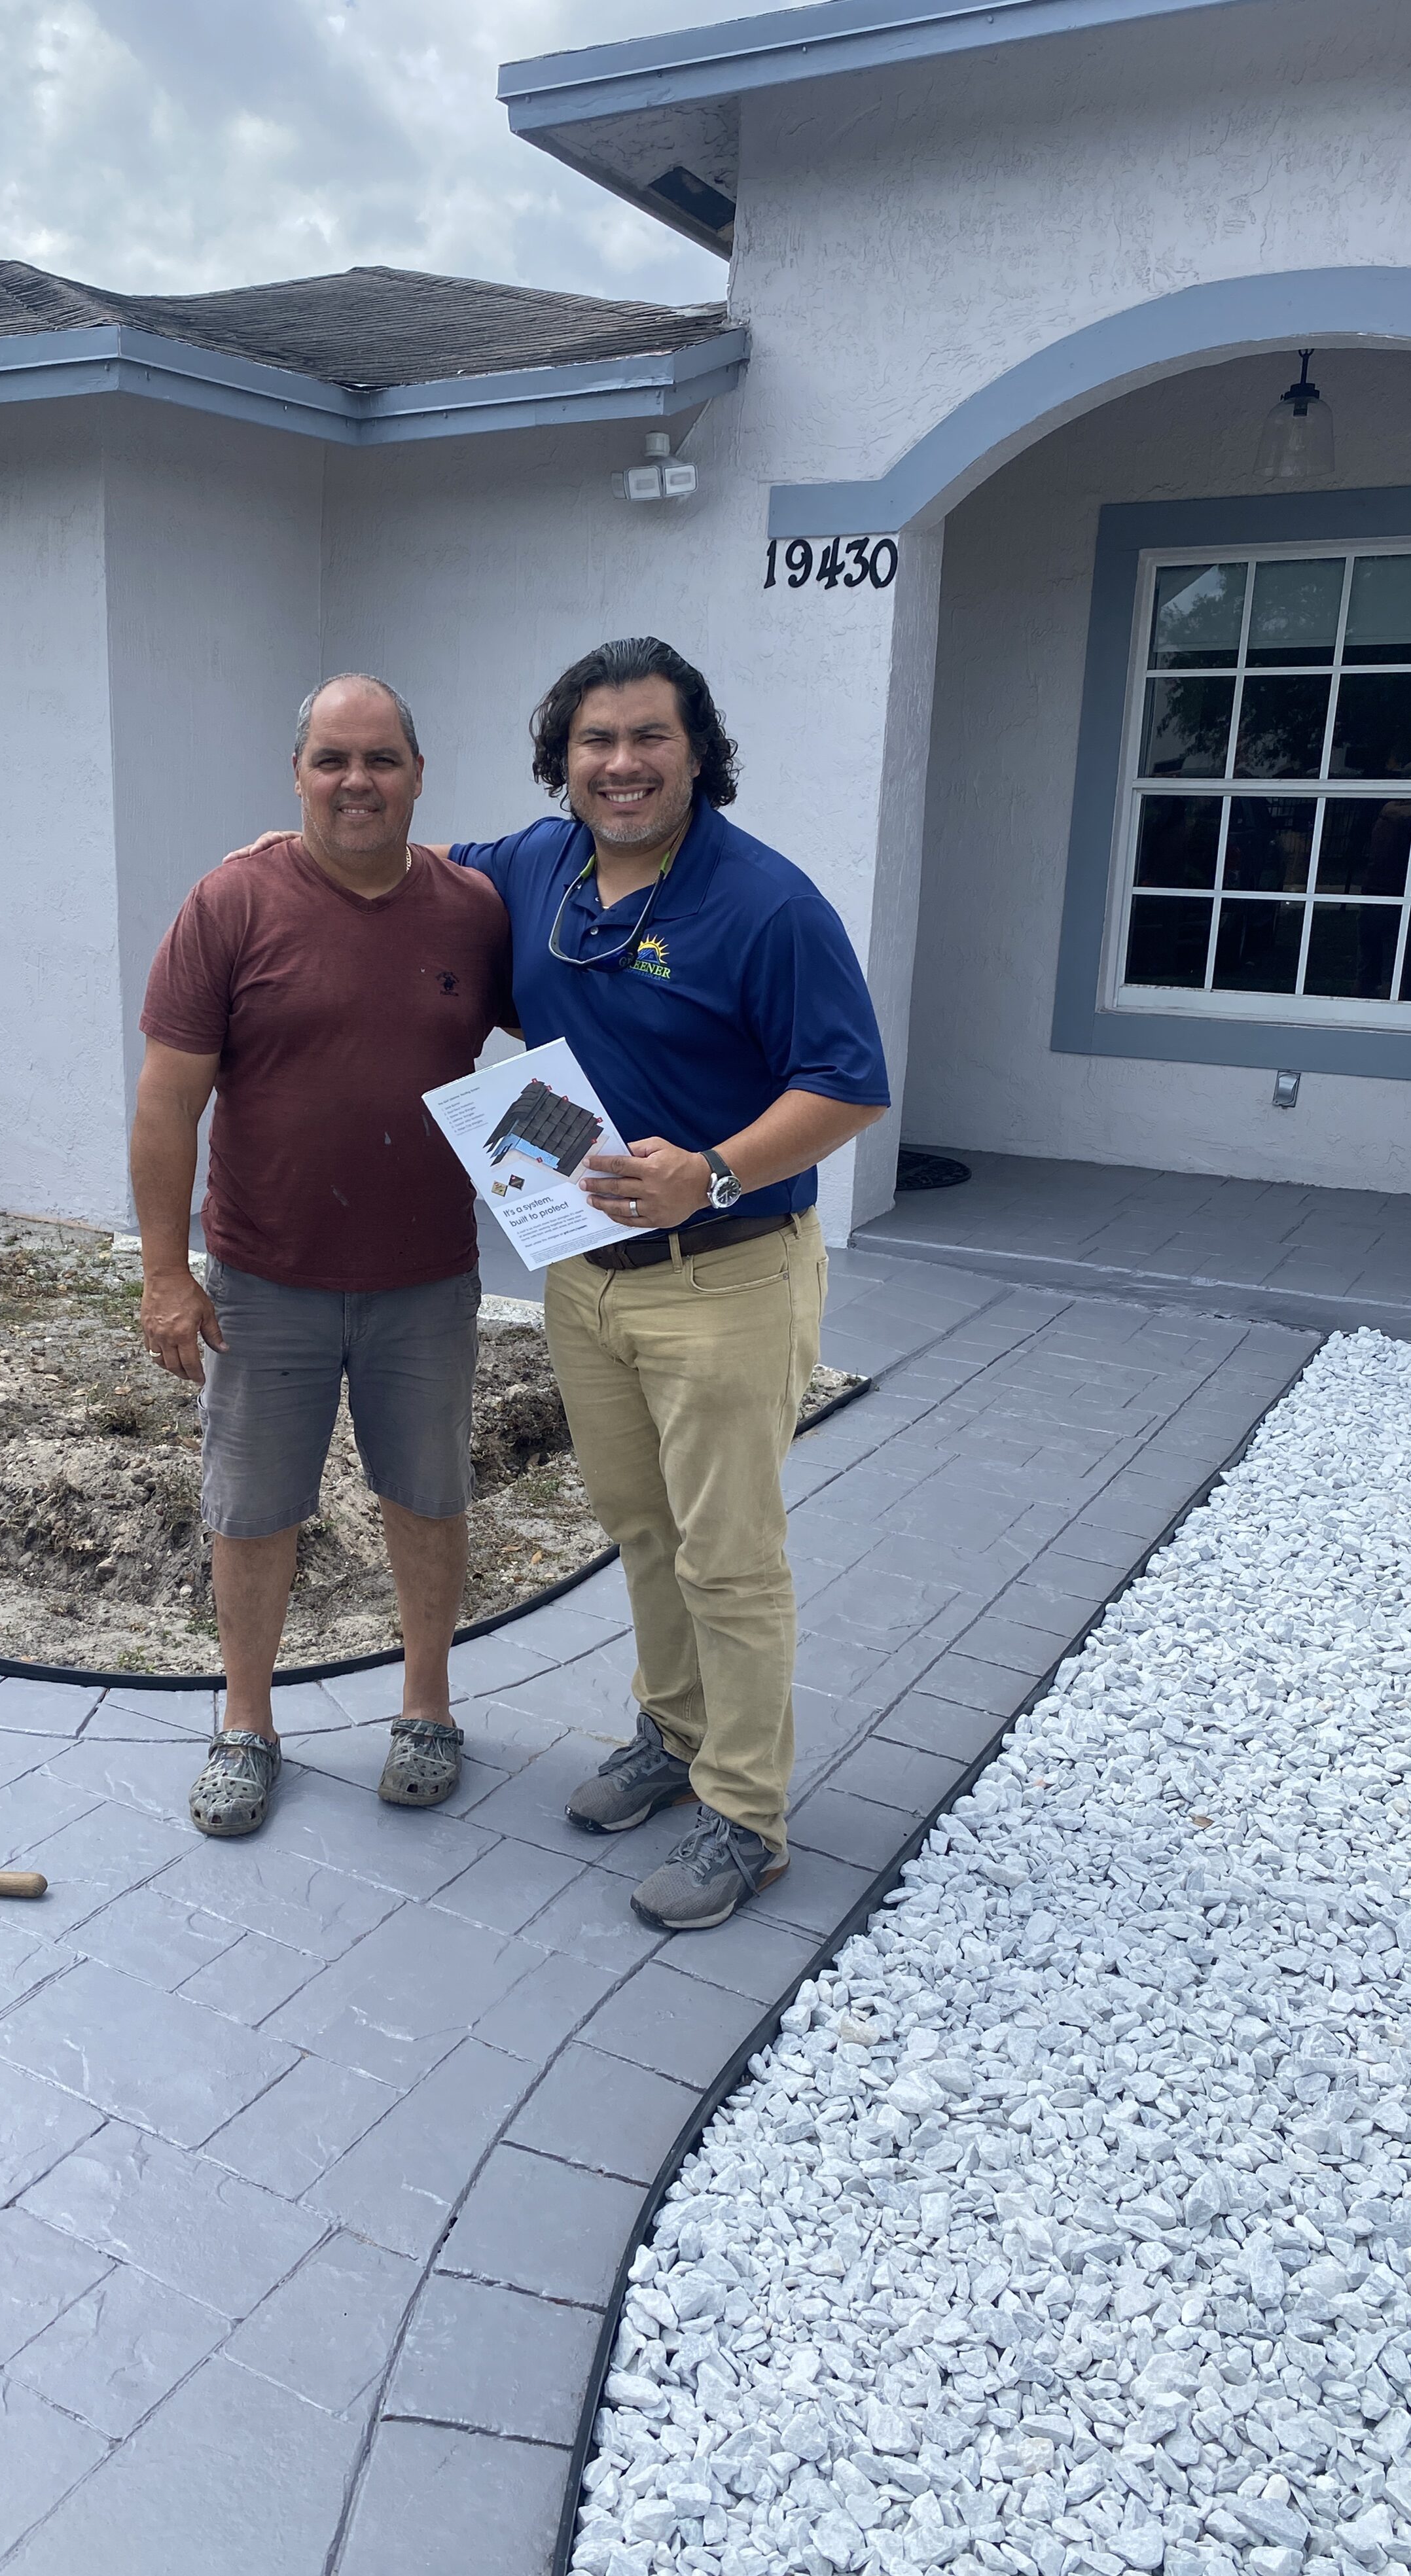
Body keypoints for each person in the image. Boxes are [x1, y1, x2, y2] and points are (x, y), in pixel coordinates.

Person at [448, 639, 889, 1932]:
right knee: (643, 1531)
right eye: (597, 740)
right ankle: (675, 1734)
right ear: (563, 759)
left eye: (650, 738)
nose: (623, 763)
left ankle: (746, 1817)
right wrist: (288, 852)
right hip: (586, 1276)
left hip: (726, 1274)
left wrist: (713, 1173)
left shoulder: (768, 905)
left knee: (730, 1557)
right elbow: (412, 880)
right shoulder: (539, 868)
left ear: (698, 752)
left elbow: (849, 1087)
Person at [132, 673, 512, 1839]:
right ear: (296, 775)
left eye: (381, 760)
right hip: (264, 1282)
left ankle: (428, 1710)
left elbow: (538, 1061)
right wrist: (164, 1272)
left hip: (427, 1280)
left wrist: (584, 1190)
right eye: (333, 761)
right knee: (252, 1511)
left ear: (418, 774)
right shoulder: (229, 905)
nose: (358, 783)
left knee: (428, 1497)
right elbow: (166, 1105)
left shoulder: (474, 911)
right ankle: (246, 1726)